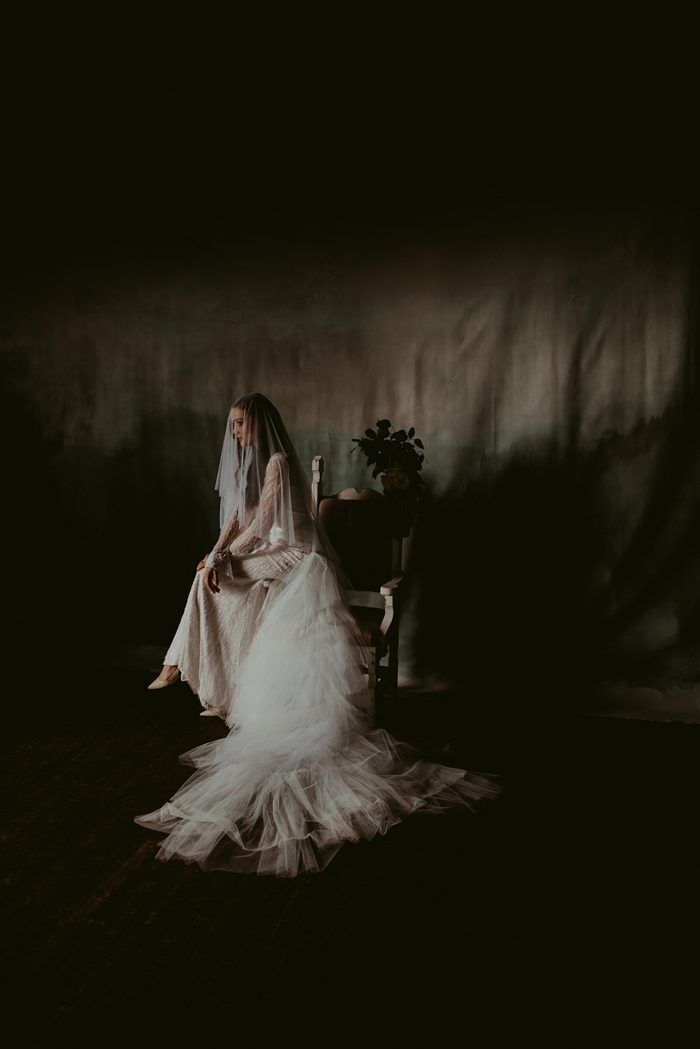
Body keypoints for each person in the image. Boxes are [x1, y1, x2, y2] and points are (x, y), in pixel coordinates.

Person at [135, 392, 501, 876]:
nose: (235, 434)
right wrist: (214, 551)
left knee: (220, 575)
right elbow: (237, 520)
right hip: (268, 551)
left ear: (260, 424)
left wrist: (225, 559)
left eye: (240, 425)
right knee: (210, 576)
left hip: (298, 556)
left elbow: (265, 522)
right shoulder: (249, 462)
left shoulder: (280, 463)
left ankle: (184, 661)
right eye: (232, 426)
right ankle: (195, 667)